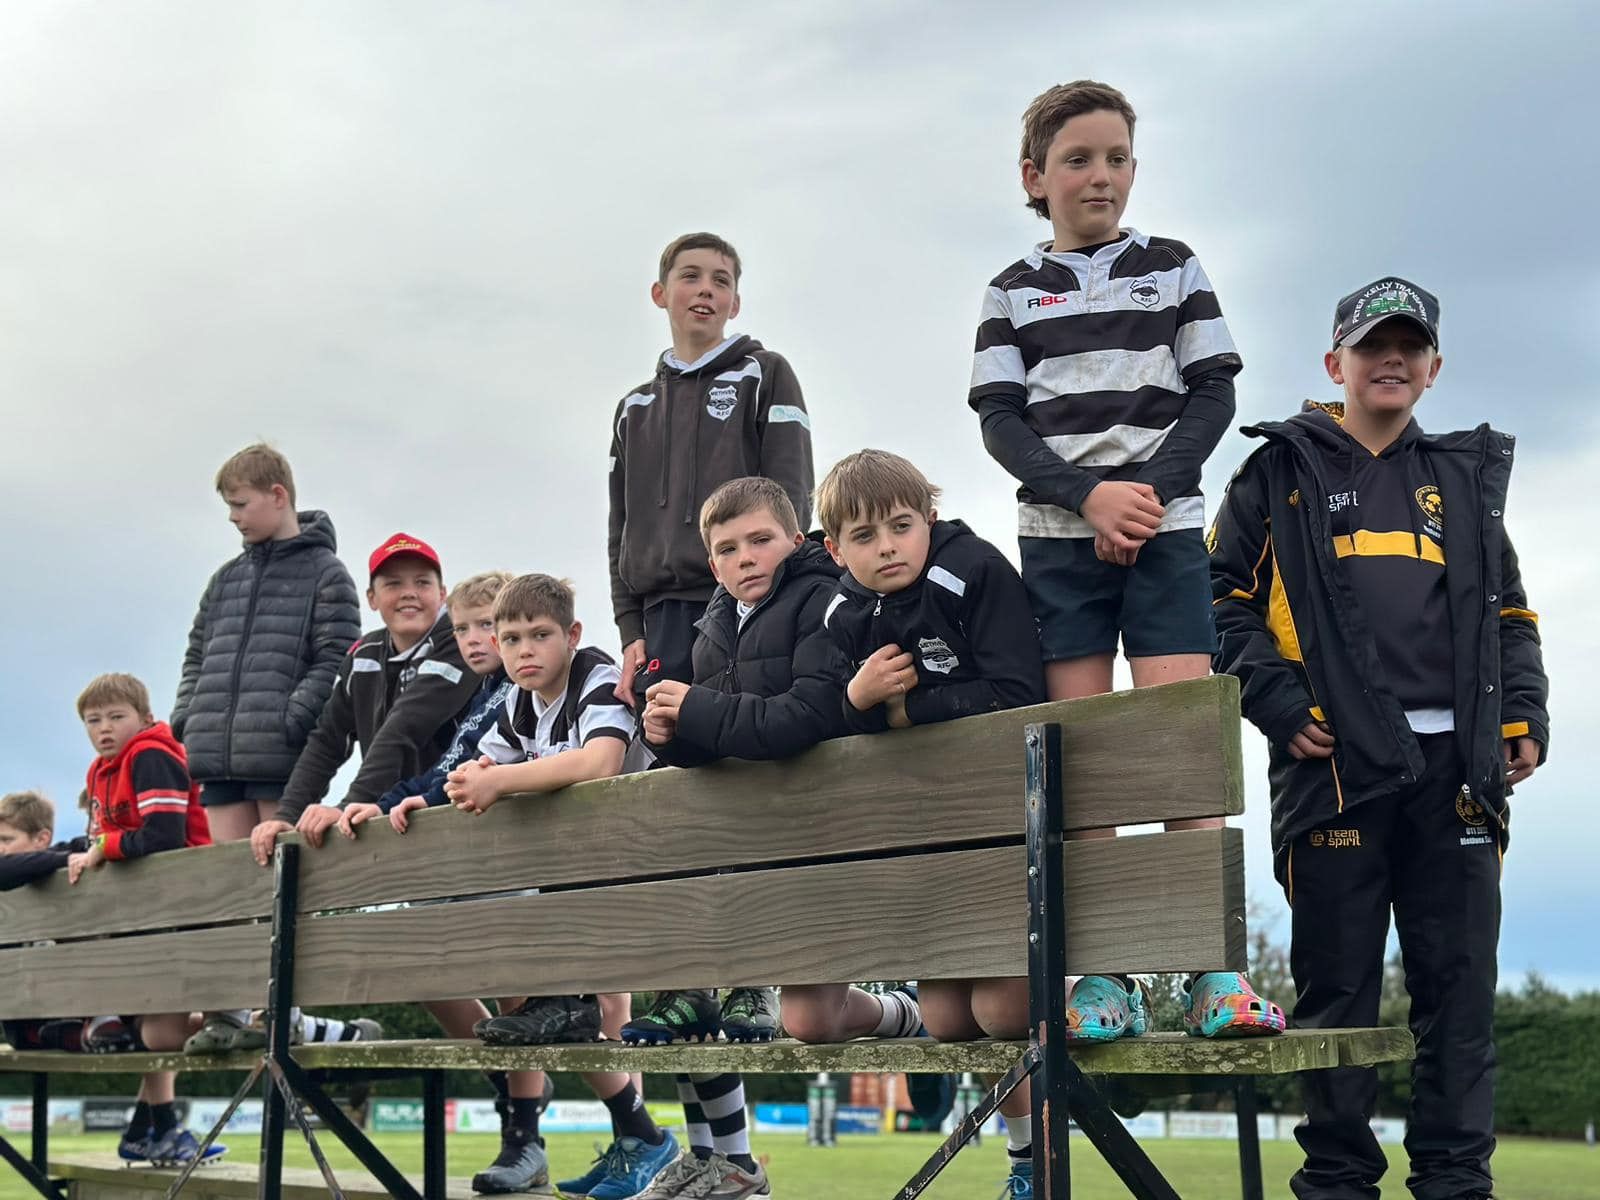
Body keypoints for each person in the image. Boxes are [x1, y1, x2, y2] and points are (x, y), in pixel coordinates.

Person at [1210, 277, 1548, 1200]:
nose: (1389, 360)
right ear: (1336, 363)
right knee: (1336, 1002)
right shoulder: (1277, 473)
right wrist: (1278, 705)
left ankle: (1454, 1183)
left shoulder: (1463, 481)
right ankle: (1337, 1183)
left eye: (1409, 346)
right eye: (1371, 347)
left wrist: (1523, 715)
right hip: (1336, 772)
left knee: (1460, 1001)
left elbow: (1509, 614)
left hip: (1462, 775)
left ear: (1433, 368)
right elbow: (1219, 606)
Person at [967, 79, 1281, 1054]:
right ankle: (1100, 973)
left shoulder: (1174, 268)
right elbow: (998, 421)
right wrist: (1086, 497)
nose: (1097, 174)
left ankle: (1210, 971)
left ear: (1132, 170)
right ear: (1035, 176)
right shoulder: (1009, 290)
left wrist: (1144, 493)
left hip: (1168, 531)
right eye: (1076, 159)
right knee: (1089, 758)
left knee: (1180, 746)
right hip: (1058, 545)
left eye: (1114, 158)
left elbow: (1212, 390)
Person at [814, 449, 1042, 1196]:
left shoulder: (974, 571)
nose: (887, 547)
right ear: (833, 549)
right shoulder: (842, 612)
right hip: (928, 841)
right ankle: (1017, 1140)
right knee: (948, 1021)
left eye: (902, 527)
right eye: (865, 535)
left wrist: (910, 707)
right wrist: (857, 696)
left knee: (1006, 1012)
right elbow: (836, 727)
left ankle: (1030, 1155)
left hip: (1005, 825)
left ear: (929, 519)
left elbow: (1016, 690)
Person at [632, 474, 852, 1199]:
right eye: (726, 549)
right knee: (787, 1013)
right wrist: (668, 735)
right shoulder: (713, 623)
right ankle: (720, 1157)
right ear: (712, 562)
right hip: (742, 851)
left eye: (760, 539)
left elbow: (801, 720)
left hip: (818, 840)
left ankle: (731, 1152)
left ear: (796, 538)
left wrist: (697, 711)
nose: (745, 558)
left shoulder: (824, 599)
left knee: (813, 1017)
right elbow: (721, 745)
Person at [449, 574, 679, 1200]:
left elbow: (600, 762)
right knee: (544, 1002)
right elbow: (488, 760)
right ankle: (639, 1137)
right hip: (577, 880)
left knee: (601, 1013)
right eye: (512, 638)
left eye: (540, 635)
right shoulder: (520, 704)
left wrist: (502, 783)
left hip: (641, 866)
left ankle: (646, 1142)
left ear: (571, 636)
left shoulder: (594, 675)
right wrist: (477, 774)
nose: (525, 650)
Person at [334, 569, 553, 1195]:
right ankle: (517, 1103)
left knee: (534, 998)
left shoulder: (521, 693)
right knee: (436, 973)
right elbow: (447, 770)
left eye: (488, 625)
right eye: (461, 628)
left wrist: (410, 795)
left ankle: (545, 1132)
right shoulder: (483, 699)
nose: (476, 639)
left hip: (526, 868)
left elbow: (484, 768)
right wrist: (390, 800)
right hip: (467, 861)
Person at [171, 443, 360, 1054]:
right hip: (217, 757)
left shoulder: (326, 573)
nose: (233, 517)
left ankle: (282, 1015)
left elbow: (337, 657)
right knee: (232, 891)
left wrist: (290, 719)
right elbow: (196, 656)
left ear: (278, 495)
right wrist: (185, 721)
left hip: (281, 759)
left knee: (281, 886)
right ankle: (228, 1011)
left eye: (240, 504)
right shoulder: (225, 579)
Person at [607, 231, 813, 711]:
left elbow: (792, 495)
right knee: (672, 753)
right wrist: (629, 630)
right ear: (660, 294)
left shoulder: (766, 373)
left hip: (743, 600)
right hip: (659, 618)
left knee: (746, 740)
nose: (706, 290)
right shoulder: (631, 408)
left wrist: (777, 595)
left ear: (735, 303)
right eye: (691, 277)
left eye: (720, 281)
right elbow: (620, 527)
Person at [249, 531, 480, 866]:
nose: (409, 594)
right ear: (371, 598)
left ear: (442, 594)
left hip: (457, 818)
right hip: (395, 823)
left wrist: (348, 806)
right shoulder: (363, 654)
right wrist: (288, 813)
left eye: (422, 583)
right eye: (393, 584)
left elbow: (404, 726)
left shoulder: (458, 643)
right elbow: (328, 740)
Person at [69, 675, 225, 1167]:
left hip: (195, 909)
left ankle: (293, 1024)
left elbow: (164, 837)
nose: (104, 729)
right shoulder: (101, 769)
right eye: (94, 721)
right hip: (147, 916)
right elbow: (102, 838)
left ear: (143, 716)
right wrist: (86, 851)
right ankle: (153, 1130)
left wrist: (102, 849)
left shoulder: (150, 755)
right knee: (154, 1034)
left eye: (116, 716)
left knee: (149, 1027)